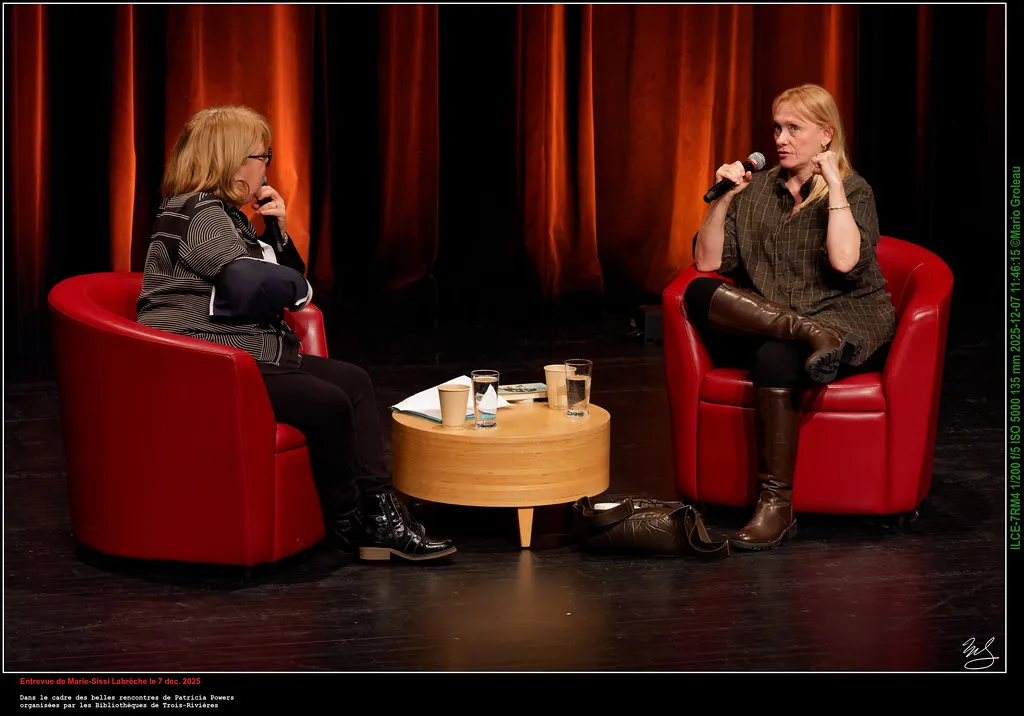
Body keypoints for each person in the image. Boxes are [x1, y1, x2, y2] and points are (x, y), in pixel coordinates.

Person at [136, 105, 455, 562]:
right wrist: (298, 287)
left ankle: (381, 513)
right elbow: (249, 280)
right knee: (328, 403)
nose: (266, 165)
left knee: (355, 382)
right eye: (261, 155)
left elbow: (277, 279)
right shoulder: (196, 211)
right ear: (230, 160)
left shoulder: (227, 215)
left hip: (251, 353)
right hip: (214, 361)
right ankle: (348, 521)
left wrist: (278, 232)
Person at [684, 83, 896, 551]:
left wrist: (834, 184)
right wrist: (725, 197)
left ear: (825, 135)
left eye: (794, 128)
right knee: (698, 293)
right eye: (777, 127)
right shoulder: (757, 190)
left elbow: (844, 263)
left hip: (844, 318)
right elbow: (707, 263)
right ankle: (809, 333)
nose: (780, 138)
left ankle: (776, 506)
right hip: (782, 320)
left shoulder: (854, 190)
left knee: (777, 357)